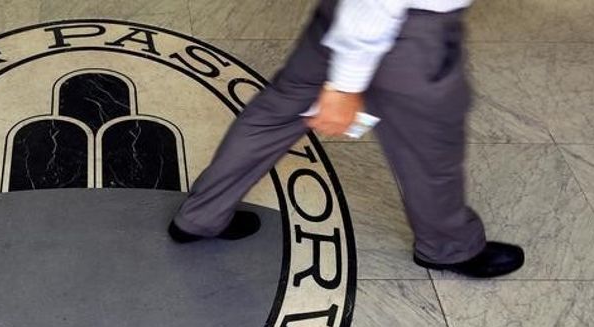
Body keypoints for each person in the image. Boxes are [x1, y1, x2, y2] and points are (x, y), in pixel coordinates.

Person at [168, 0, 524, 278]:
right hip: (404, 27)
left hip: (346, 13)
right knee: (431, 151)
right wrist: (345, 83)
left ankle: (202, 214)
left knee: (275, 113)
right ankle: (448, 246)